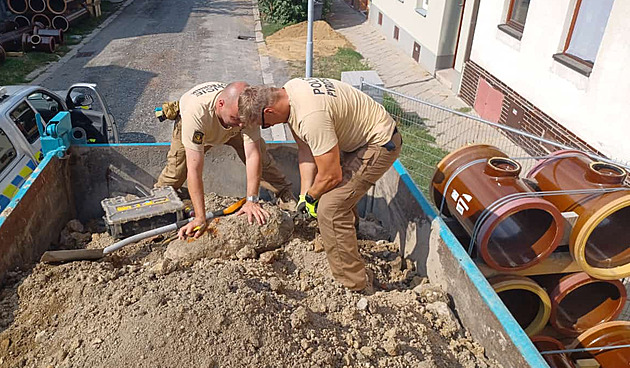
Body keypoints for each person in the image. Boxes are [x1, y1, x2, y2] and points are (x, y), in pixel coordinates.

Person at [238, 77, 402, 292]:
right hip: (355, 138)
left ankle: (354, 286)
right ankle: (349, 241)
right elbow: (306, 153)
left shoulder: (310, 117)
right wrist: (305, 194)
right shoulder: (291, 91)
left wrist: (313, 197)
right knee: (336, 196)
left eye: (264, 124)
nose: (267, 127)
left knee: (331, 208)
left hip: (379, 142)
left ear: (268, 111)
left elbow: (332, 175)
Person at [154, 81, 295, 240]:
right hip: (201, 128)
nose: (241, 124)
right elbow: (195, 170)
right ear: (221, 104)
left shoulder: (245, 109)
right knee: (175, 173)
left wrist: (252, 200)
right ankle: (156, 212)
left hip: (228, 123)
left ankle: (284, 194)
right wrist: (200, 217)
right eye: (237, 118)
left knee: (263, 161)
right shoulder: (197, 114)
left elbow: (253, 155)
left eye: (244, 120)